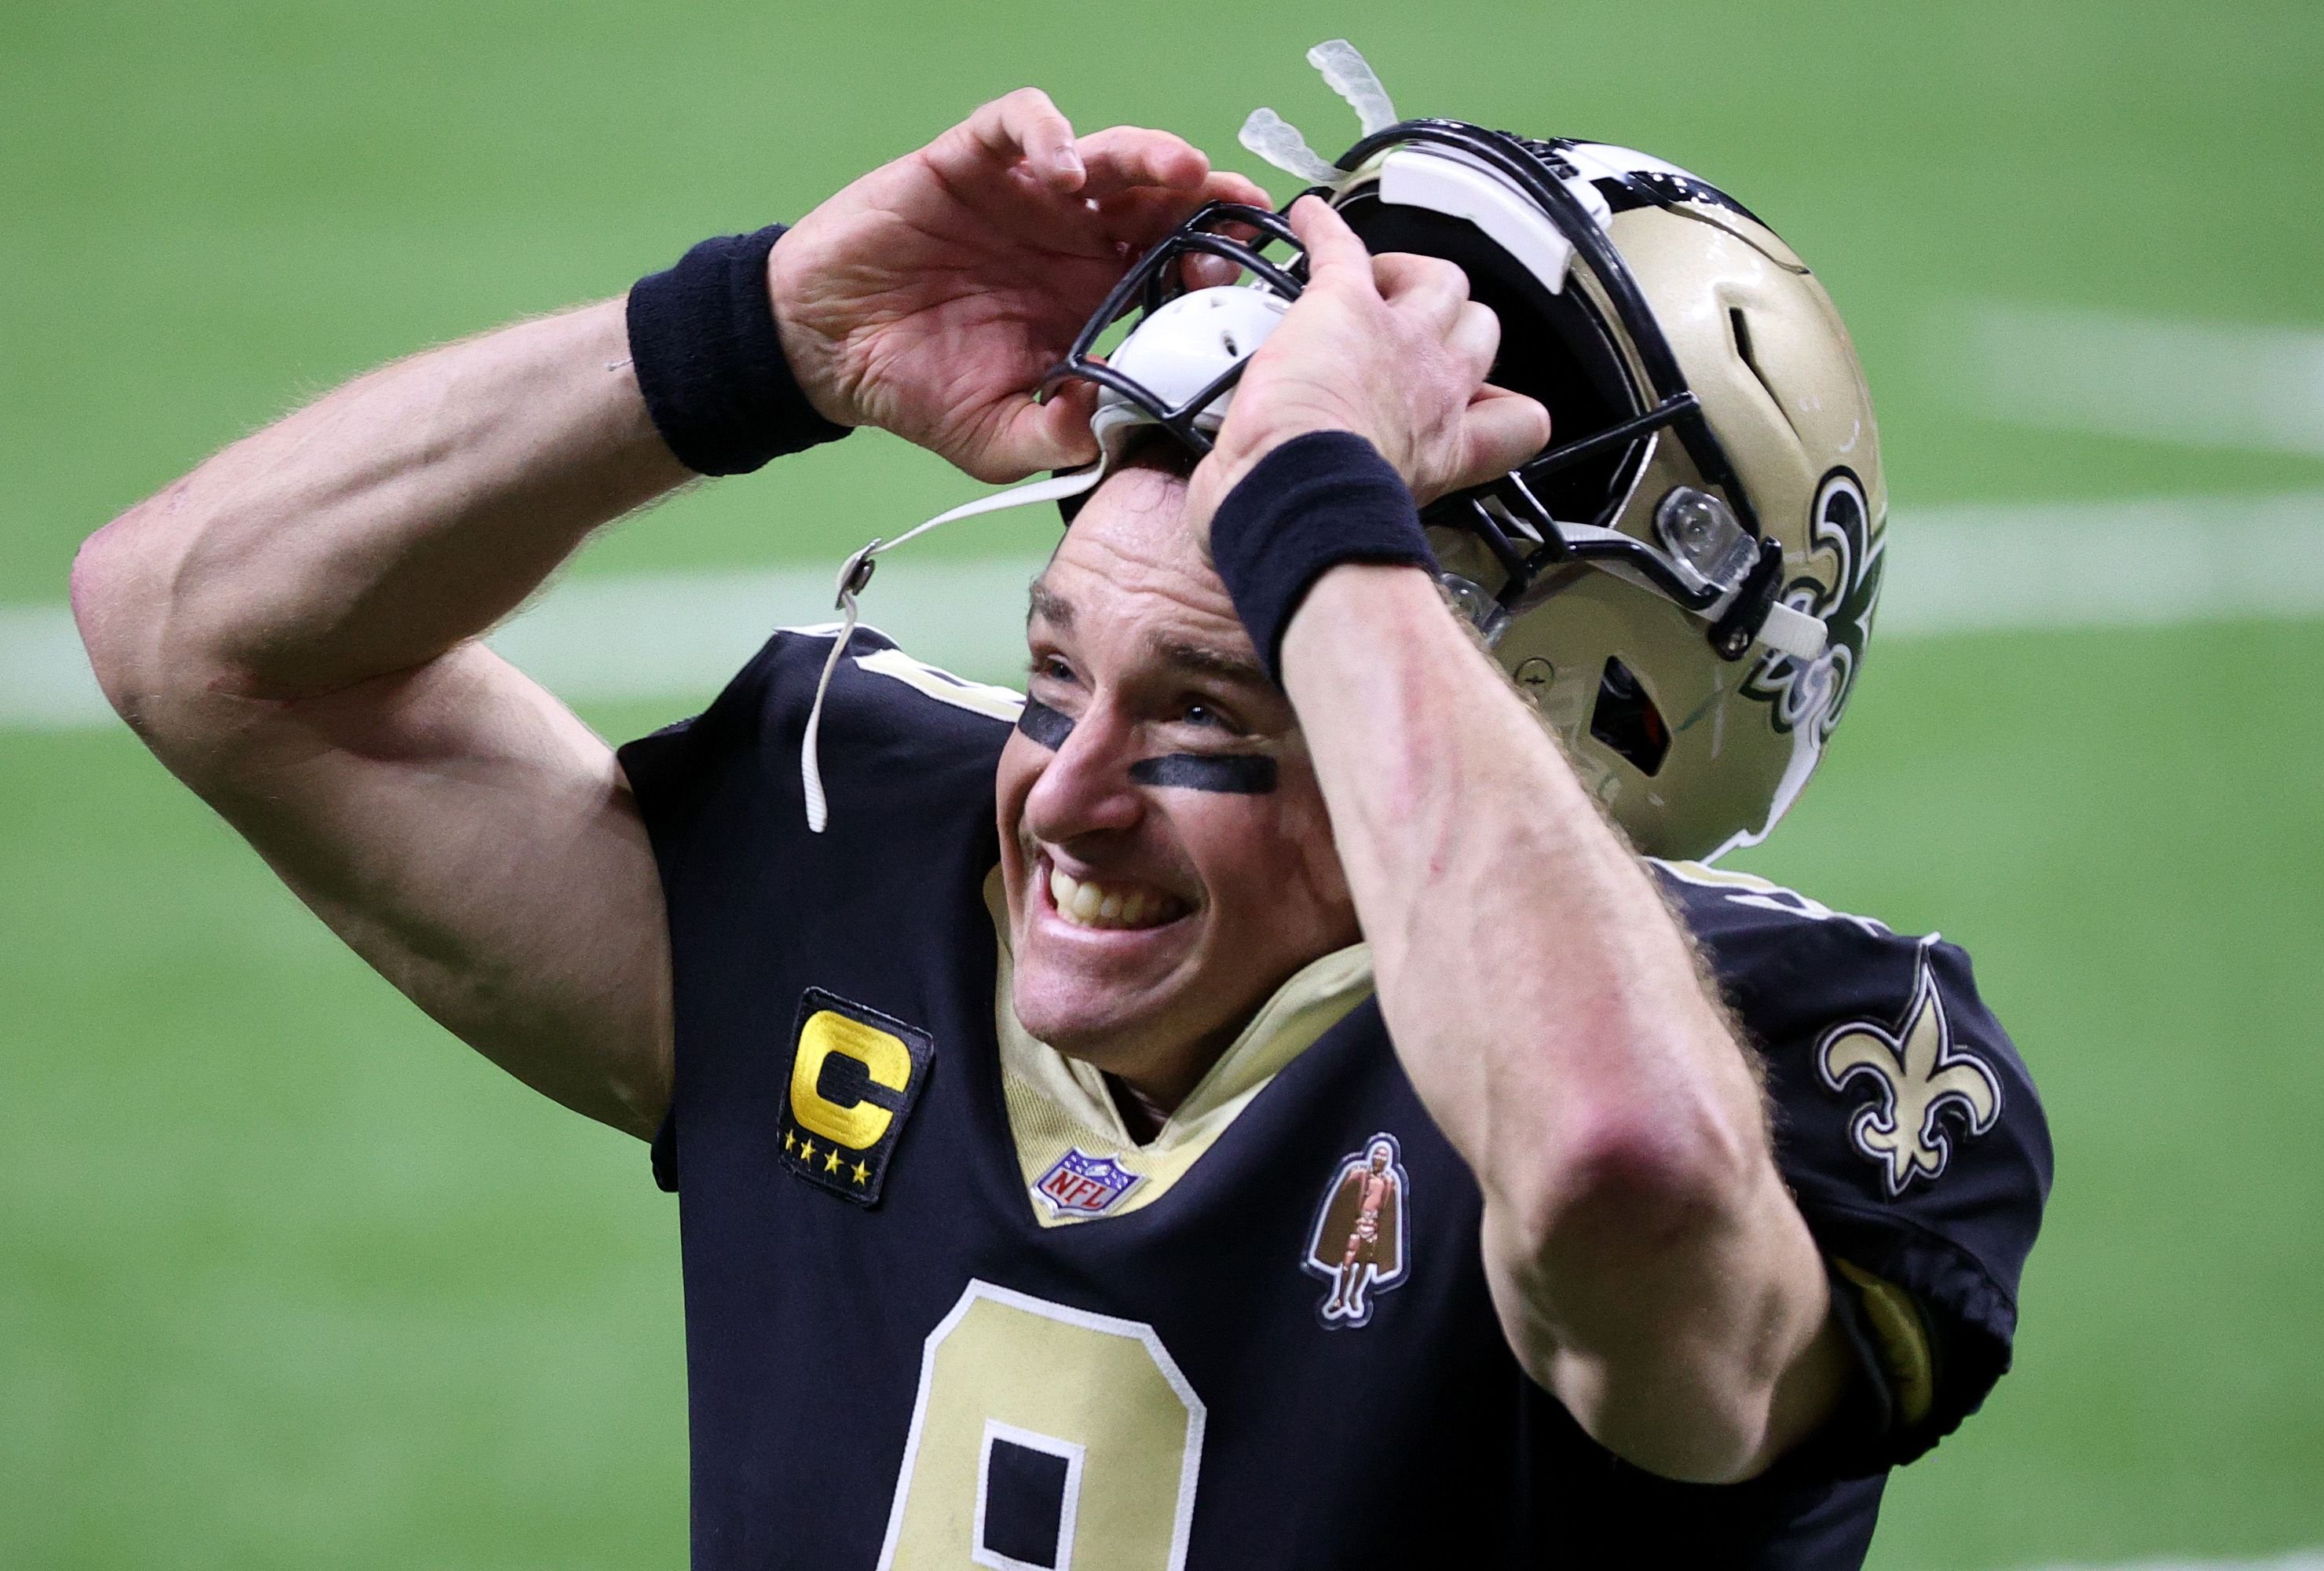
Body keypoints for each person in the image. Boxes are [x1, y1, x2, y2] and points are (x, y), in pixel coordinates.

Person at [73, 72, 2051, 1569]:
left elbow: (1610, 1158)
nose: (1064, 795)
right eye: (1046, 676)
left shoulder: (1785, 1050)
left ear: (1575, 716)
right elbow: (195, 631)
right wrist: (752, 337)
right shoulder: (869, 852)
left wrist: (1325, 528)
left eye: (1212, 710)